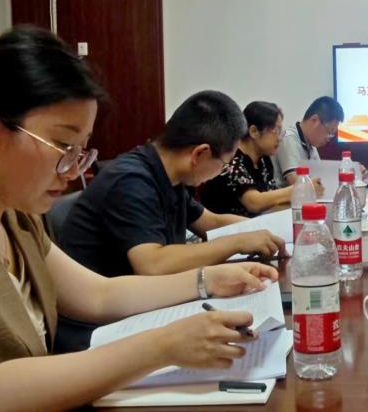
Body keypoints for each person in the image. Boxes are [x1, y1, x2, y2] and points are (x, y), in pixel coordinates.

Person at [0, 27, 277, 411]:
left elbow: (98, 295)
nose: (74, 170)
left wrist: (208, 281)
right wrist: (163, 346)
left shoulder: (11, 214)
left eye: (81, 151)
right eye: (62, 146)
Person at [57, 90, 285, 351]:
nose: (221, 171)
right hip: (96, 332)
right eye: (224, 164)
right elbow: (153, 264)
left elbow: (210, 221)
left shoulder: (170, 176)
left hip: (141, 307)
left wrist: (262, 231)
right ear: (200, 154)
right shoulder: (131, 180)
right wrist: (236, 242)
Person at [201, 101, 324, 216]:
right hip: (225, 228)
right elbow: (255, 203)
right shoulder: (232, 160)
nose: (280, 138)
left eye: (281, 132)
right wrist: (302, 188)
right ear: (254, 131)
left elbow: (271, 202)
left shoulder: (263, 160)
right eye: (276, 131)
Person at [274, 96, 345, 185]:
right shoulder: (289, 138)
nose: (329, 138)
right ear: (314, 120)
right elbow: (298, 184)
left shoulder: (311, 144)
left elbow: (320, 179)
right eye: (329, 132)